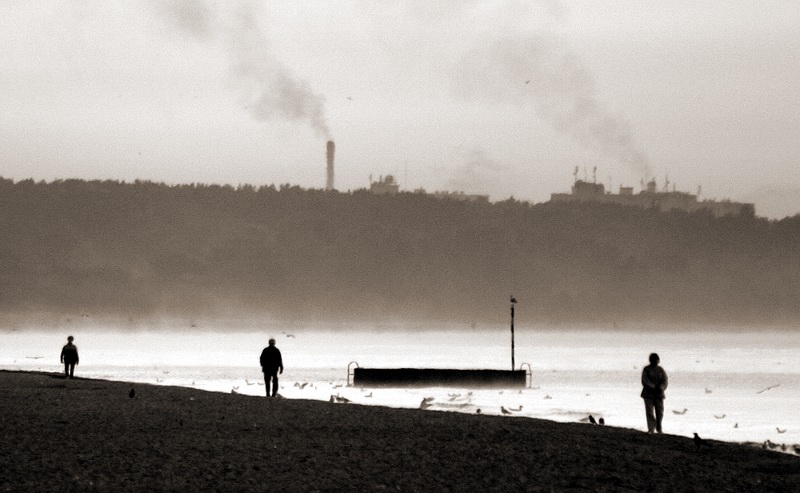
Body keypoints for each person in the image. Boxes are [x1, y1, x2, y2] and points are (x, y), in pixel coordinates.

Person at [640, 352, 668, 434]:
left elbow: (665, 380)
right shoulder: (646, 369)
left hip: (659, 394)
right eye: (654, 360)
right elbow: (644, 381)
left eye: (656, 360)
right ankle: (651, 429)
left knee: (660, 412)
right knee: (649, 412)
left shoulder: (661, 370)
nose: (655, 362)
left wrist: (661, 387)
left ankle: (659, 428)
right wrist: (652, 387)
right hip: (648, 394)